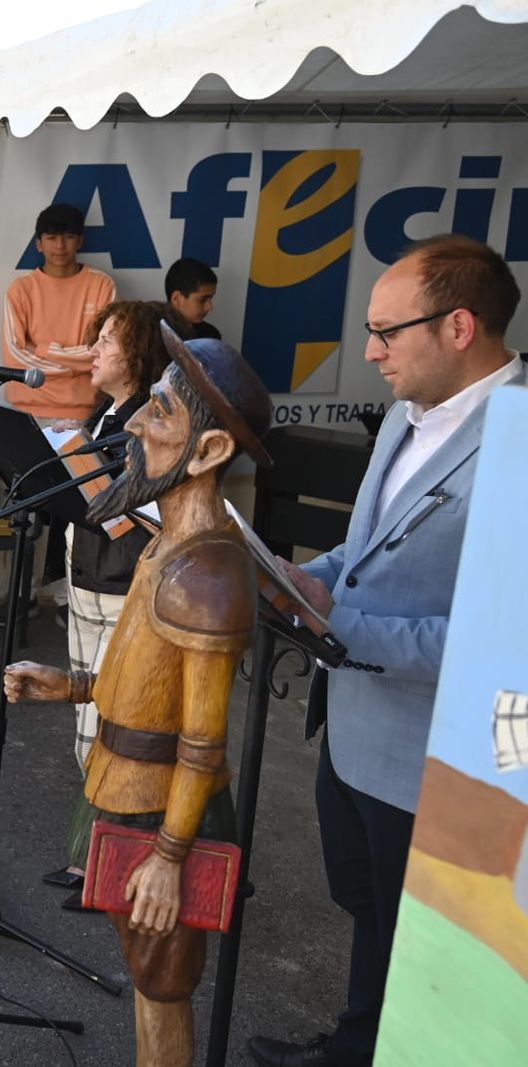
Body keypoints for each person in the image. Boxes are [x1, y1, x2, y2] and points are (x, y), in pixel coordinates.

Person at [249, 236, 526, 1067]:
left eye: (385, 331)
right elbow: (366, 546)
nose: (370, 351)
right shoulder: (409, 413)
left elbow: (500, 641)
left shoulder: (518, 445)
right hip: (356, 733)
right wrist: (308, 577)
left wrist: (340, 625)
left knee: (434, 947)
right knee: (369, 908)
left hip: (442, 763)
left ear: (459, 327)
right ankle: (358, 1042)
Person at [6, 332, 273, 1067]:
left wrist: (170, 853)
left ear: (210, 450)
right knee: (145, 965)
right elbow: (150, 682)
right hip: (125, 787)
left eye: (159, 413)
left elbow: (202, 743)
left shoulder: (209, 577)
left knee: (163, 980)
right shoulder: (165, 546)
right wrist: (74, 686)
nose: (132, 424)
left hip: (163, 810)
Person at [47, 301, 175, 908]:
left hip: (125, 589)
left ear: (141, 355)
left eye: (107, 341)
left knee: (115, 732)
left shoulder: (151, 420)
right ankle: (91, 856)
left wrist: (78, 464)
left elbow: (134, 511)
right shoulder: (101, 415)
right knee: (86, 727)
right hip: (86, 583)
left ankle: (111, 865)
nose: (94, 351)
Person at [1, 201, 118, 422]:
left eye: (69, 237)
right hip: (26, 411)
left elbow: (102, 351)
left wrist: (43, 350)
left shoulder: (102, 285)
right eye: (52, 238)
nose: (60, 246)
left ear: (80, 241)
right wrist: (74, 368)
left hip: (82, 412)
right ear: (39, 244)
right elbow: (14, 358)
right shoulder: (21, 289)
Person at [164, 258, 221, 341]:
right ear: (177, 299)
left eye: (211, 298)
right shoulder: (151, 334)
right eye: (202, 300)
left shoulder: (210, 335)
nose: (210, 307)